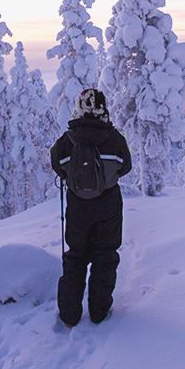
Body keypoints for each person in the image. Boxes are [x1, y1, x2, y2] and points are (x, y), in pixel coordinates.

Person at [50, 87, 132, 328]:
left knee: (75, 258)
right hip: (109, 205)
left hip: (77, 206)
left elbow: (57, 164)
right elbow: (124, 167)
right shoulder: (115, 140)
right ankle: (99, 311)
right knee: (105, 257)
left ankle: (69, 315)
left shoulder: (67, 141)